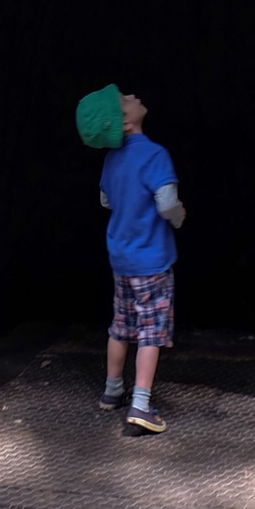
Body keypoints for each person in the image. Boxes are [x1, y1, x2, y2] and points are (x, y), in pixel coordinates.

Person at [75, 83, 185, 435]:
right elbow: (167, 203)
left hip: (121, 259)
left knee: (120, 326)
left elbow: (106, 201)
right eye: (125, 100)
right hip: (152, 261)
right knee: (150, 333)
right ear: (125, 123)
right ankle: (140, 404)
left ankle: (112, 391)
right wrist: (179, 217)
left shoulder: (112, 159)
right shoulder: (155, 155)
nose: (133, 96)